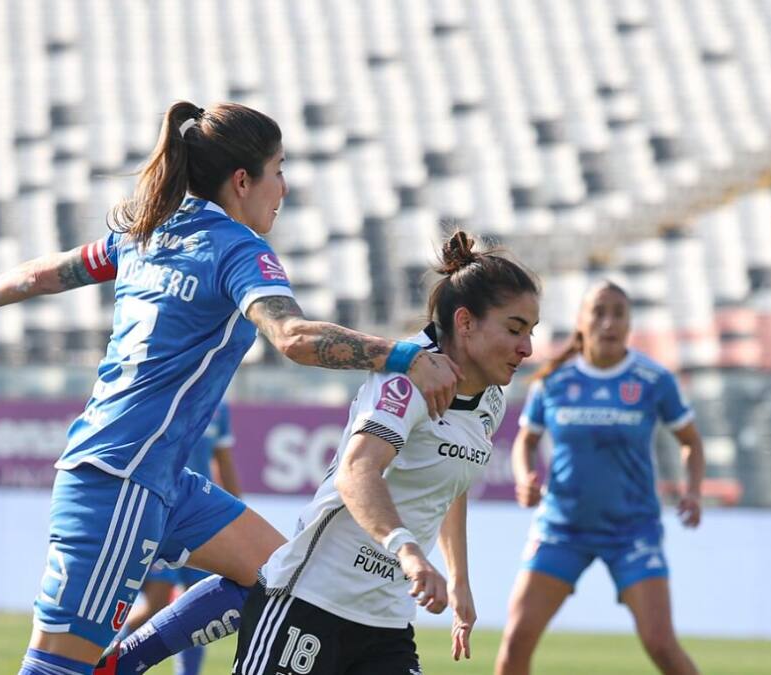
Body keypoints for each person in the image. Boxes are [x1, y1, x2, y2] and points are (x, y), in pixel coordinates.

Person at [0, 101, 461, 675]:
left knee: (286, 582)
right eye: (279, 170)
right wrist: (404, 356)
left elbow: (41, 274)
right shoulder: (237, 249)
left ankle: (119, 666)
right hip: (119, 477)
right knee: (53, 669)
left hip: (163, 479)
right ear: (242, 180)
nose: (286, 187)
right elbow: (294, 338)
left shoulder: (147, 230)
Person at [229, 232, 539, 674]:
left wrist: (460, 582)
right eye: (514, 329)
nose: (526, 348)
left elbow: (449, 481)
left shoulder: (490, 400)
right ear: (466, 322)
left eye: (530, 332)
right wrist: (410, 553)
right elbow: (357, 473)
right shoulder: (405, 376)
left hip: (385, 623)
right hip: (309, 601)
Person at [494, 281, 705, 675]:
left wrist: (692, 492)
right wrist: (525, 476)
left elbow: (691, 442)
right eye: (599, 312)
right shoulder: (553, 381)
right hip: (562, 528)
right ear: (580, 321)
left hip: (632, 531)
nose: (608, 322)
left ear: (629, 324)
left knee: (661, 644)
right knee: (515, 643)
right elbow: (526, 440)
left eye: (618, 313)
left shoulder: (653, 380)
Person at [116, 400, 240, 675]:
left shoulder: (219, 406)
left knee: (198, 606)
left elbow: (223, 460)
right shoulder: (168, 391)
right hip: (158, 511)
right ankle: (113, 658)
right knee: (158, 600)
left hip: (200, 517)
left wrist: (239, 512)